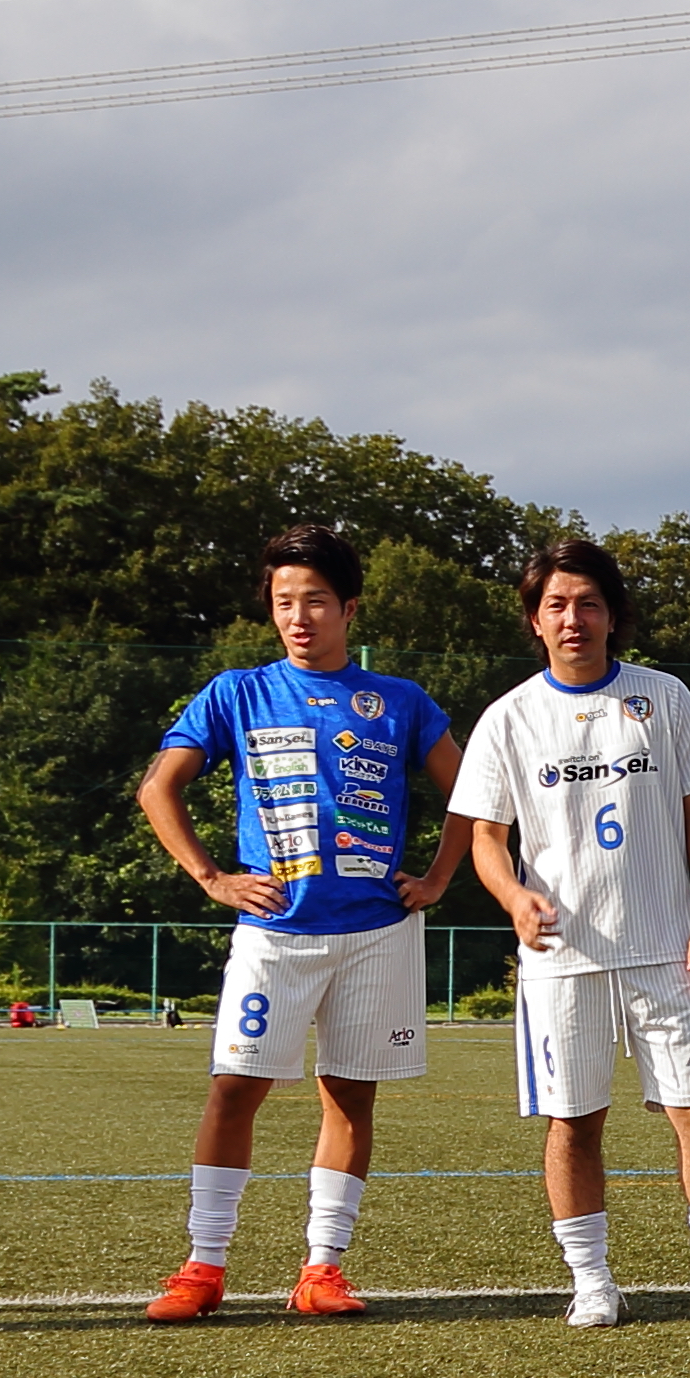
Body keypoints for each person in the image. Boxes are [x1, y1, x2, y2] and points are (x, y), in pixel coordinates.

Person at [136, 525, 468, 1321]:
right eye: (284, 602)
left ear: (349, 608)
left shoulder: (400, 700)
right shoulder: (237, 691)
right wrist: (212, 877)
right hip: (275, 933)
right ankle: (203, 1266)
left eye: (314, 601)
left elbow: (474, 793)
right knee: (233, 1090)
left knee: (350, 1098)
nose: (298, 617)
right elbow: (158, 788)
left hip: (378, 934)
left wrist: (438, 876)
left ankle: (322, 1269)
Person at [457, 536, 690, 1331]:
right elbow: (485, 840)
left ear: (611, 615)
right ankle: (592, 1281)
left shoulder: (663, 697)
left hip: (669, 950)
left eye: (588, 604)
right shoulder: (509, 718)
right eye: (557, 605)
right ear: (536, 620)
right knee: (575, 1121)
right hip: (564, 961)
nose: (574, 619)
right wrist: (514, 898)